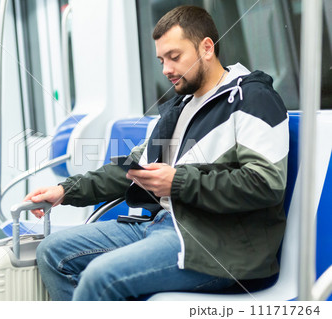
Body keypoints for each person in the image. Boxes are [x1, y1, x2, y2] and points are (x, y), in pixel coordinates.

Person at [24, 5, 289, 301]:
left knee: (101, 277)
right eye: (161, 60)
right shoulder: (179, 108)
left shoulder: (252, 99)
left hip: (216, 245)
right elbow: (134, 169)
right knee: (52, 252)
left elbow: (265, 184)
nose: (166, 70)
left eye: (174, 57)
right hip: (162, 225)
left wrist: (176, 182)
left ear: (206, 47)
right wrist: (65, 190)